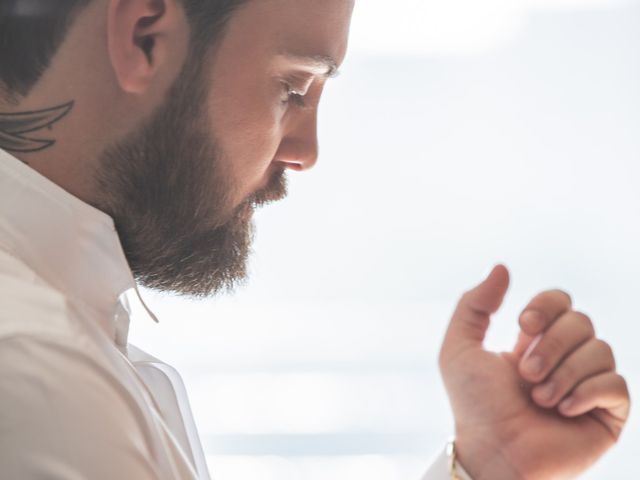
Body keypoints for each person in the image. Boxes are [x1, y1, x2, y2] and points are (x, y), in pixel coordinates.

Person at [0, 0, 630, 479]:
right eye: (293, 89)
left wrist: (489, 466)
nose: (307, 152)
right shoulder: (40, 369)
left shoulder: (58, 332)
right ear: (144, 37)